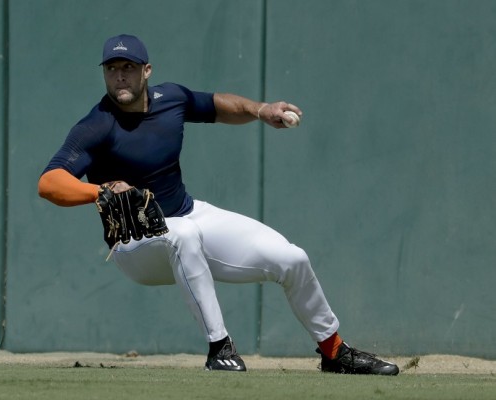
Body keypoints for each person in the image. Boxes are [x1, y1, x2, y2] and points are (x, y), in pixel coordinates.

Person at [38, 34, 399, 375]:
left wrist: (261, 110)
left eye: (128, 67)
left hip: (186, 214)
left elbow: (216, 105)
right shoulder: (96, 125)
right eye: (112, 69)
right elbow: (49, 182)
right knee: (183, 234)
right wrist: (100, 192)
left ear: (146, 71)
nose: (120, 76)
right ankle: (220, 348)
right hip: (134, 244)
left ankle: (334, 351)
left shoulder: (172, 99)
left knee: (292, 259)